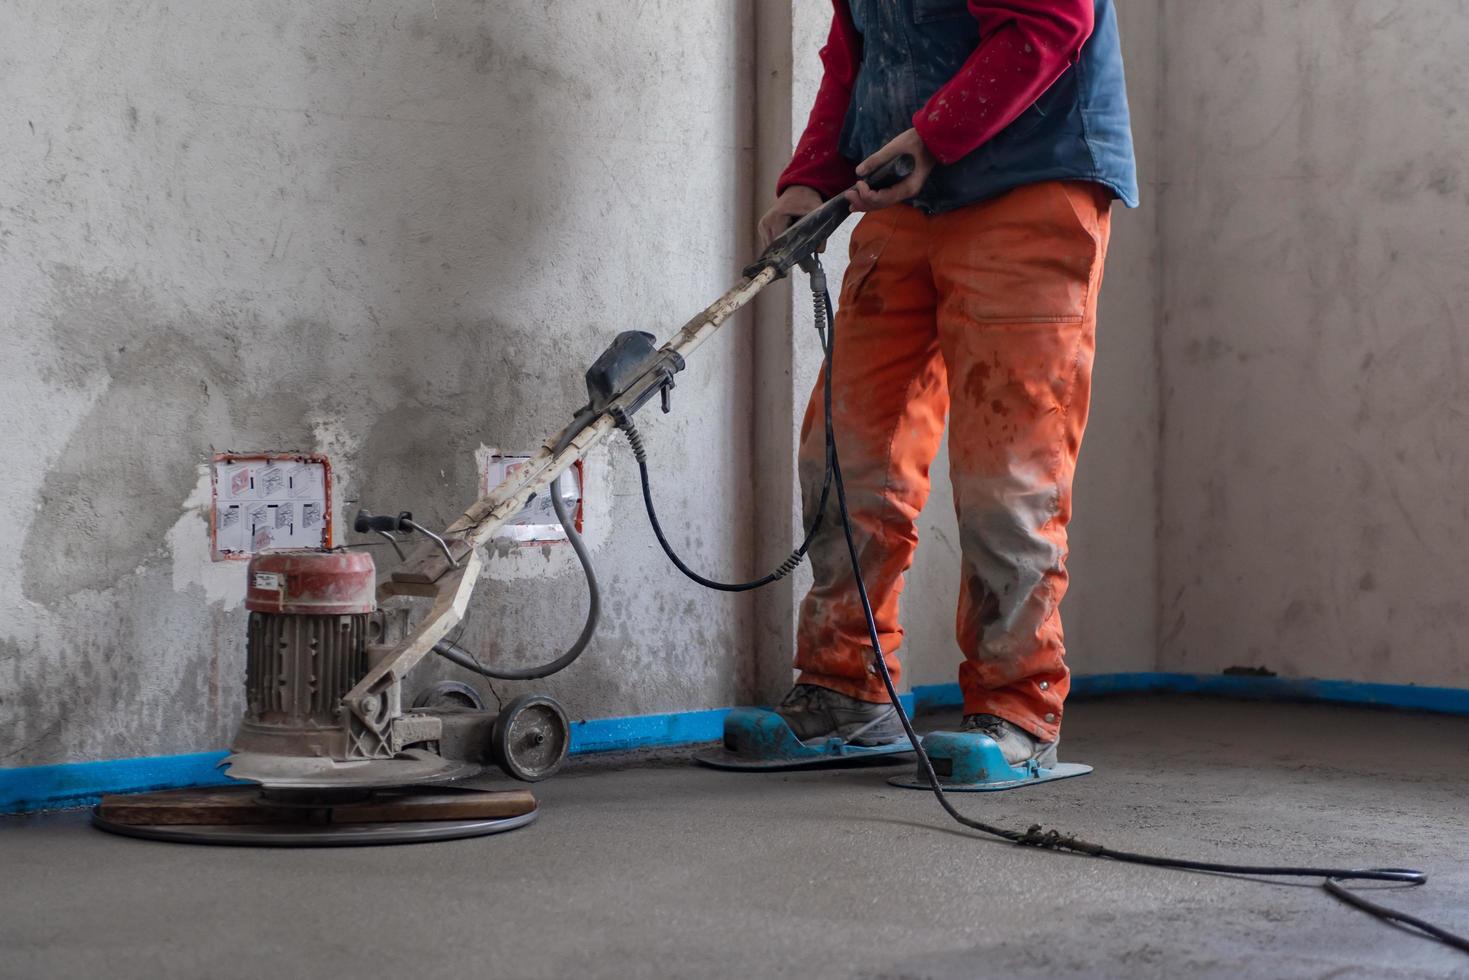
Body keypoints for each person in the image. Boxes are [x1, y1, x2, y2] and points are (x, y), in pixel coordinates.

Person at [758, 0, 1138, 766]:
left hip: (1029, 184)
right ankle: (846, 691)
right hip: (911, 197)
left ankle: (1016, 711)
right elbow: (854, 57)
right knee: (846, 449)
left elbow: (1047, 23)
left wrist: (933, 138)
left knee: (1008, 472)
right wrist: (810, 177)